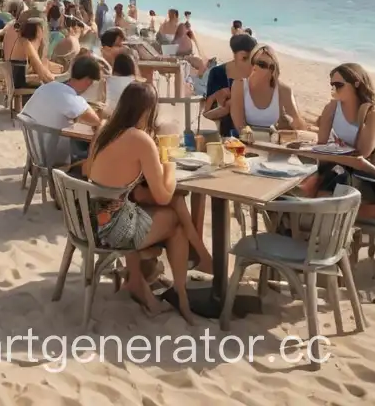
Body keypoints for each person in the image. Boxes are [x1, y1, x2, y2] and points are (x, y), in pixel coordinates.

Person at [85, 82, 207, 321]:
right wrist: (169, 165)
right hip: (113, 230)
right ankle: (181, 293)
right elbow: (163, 196)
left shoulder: (104, 129)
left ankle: (143, 283)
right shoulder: (140, 139)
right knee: (175, 223)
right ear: (147, 111)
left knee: (146, 207)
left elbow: (89, 169)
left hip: (91, 220)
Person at [299, 63, 375, 215]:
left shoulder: (372, 112)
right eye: (332, 85)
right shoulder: (332, 108)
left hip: (372, 169)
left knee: (332, 184)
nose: (334, 89)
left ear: (356, 84)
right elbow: (321, 144)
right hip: (349, 166)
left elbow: (364, 151)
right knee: (325, 181)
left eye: (339, 85)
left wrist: (361, 118)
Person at [20, 55, 103, 164]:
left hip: (35, 152)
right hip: (53, 158)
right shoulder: (72, 99)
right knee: (95, 154)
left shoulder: (47, 87)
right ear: (88, 81)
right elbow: (95, 121)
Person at [229, 44, 306, 134]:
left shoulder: (283, 90)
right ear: (252, 64)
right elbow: (239, 125)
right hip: (246, 140)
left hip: (273, 141)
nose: (268, 70)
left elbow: (298, 123)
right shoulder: (240, 85)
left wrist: (296, 126)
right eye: (262, 64)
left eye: (272, 67)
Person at [203, 32, 257, 137]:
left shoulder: (256, 72)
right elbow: (207, 111)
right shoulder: (218, 73)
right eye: (245, 58)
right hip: (227, 131)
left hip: (254, 128)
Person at [7, 20, 56, 87]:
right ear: (39, 33)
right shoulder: (25, 44)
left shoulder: (23, 42)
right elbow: (45, 76)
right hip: (19, 88)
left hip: (17, 84)